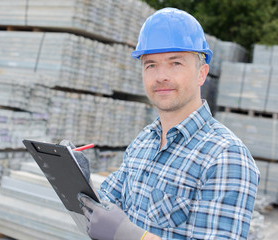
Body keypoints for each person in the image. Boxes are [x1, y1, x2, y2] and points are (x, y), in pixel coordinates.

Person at [65, 7, 260, 240]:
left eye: (175, 63)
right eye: (151, 65)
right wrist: (78, 181)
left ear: (201, 73)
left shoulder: (226, 156)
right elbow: (105, 212)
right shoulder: (143, 142)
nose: (160, 76)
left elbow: (119, 231)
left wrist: (133, 237)